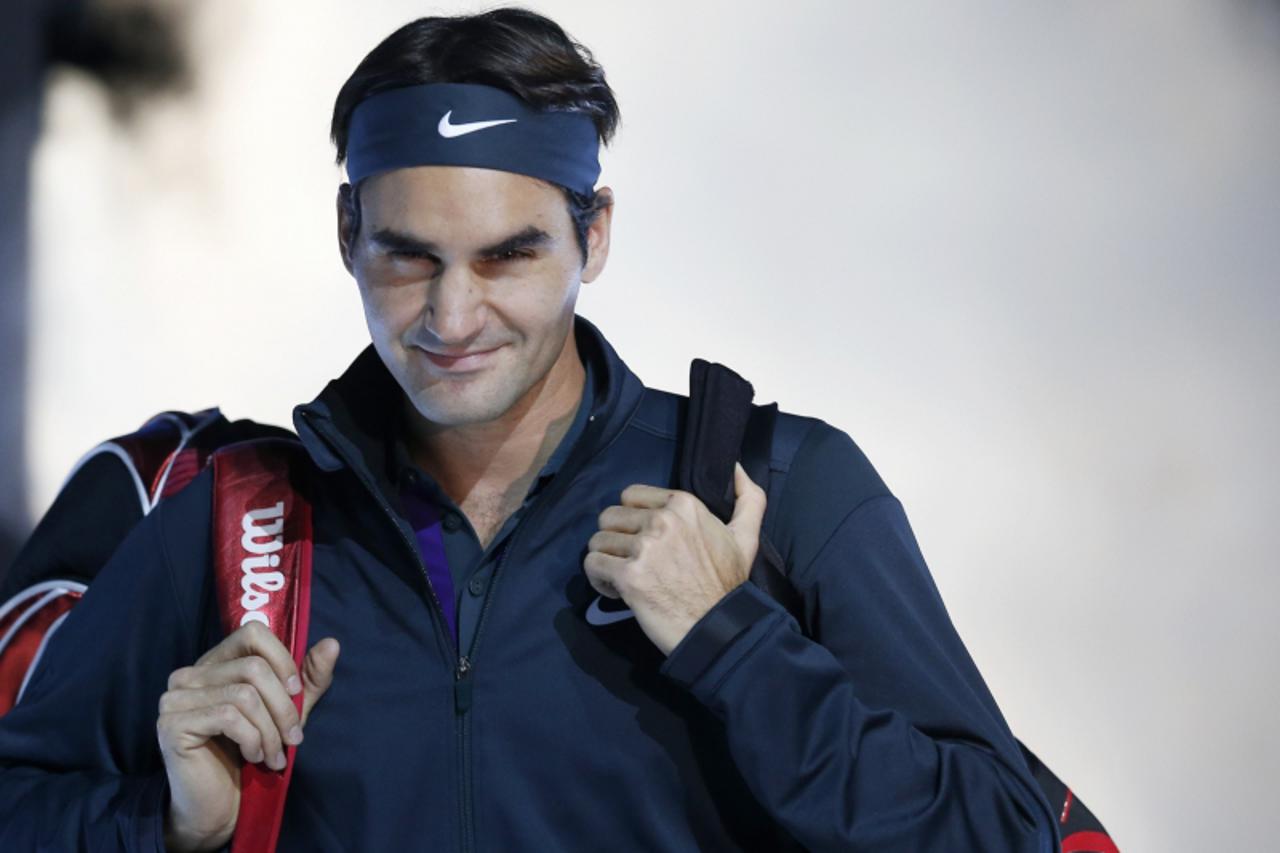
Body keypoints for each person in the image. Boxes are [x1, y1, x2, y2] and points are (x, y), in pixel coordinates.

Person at [0, 8, 1060, 851]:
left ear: (591, 235)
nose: (451, 317)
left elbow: (1002, 833)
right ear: (346, 233)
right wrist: (170, 826)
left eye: (507, 256)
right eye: (408, 255)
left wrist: (732, 642)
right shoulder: (237, 523)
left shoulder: (778, 492)